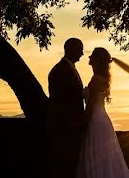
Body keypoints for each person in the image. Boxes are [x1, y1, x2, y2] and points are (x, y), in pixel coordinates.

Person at [74, 47, 129, 178]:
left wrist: (82, 125)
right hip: (102, 120)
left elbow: (90, 106)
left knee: (95, 157)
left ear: (97, 60)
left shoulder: (96, 80)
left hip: (95, 121)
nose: (89, 58)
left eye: (92, 56)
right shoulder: (101, 78)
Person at [48, 37, 87, 178]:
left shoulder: (69, 69)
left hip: (72, 129)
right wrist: (71, 125)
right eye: (80, 49)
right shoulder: (60, 70)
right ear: (70, 49)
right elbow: (58, 102)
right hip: (65, 129)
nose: (82, 54)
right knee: (65, 167)